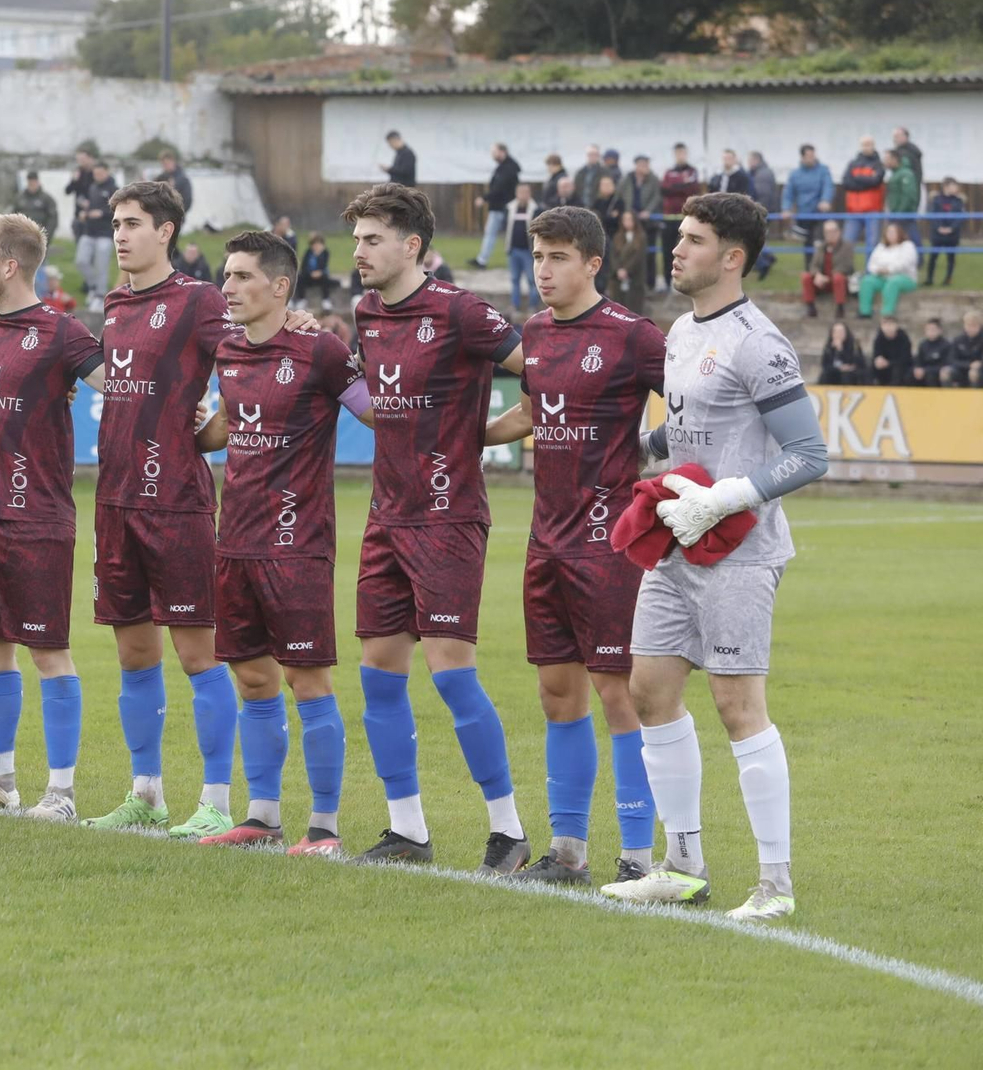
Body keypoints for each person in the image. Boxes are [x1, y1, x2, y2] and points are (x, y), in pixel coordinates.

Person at [602, 191, 828, 921]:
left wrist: (726, 498)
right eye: (679, 235)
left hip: (739, 550)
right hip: (676, 539)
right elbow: (686, 427)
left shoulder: (759, 343)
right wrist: (634, 449)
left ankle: (776, 883)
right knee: (648, 690)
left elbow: (809, 453)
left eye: (693, 239)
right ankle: (682, 863)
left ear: (732, 256)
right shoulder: (678, 331)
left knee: (737, 705)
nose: (677, 248)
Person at [346, 182, 530, 871]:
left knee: (451, 674)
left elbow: (546, 374)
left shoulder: (461, 312)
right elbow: (376, 398)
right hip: (385, 515)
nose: (358, 251)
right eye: (357, 238)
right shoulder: (366, 311)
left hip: (449, 515)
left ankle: (509, 832)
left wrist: (489, 431)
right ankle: (407, 832)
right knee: (379, 675)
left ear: (411, 244)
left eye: (371, 239)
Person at [482, 205, 666, 886]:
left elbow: (697, 401)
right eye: (539, 255)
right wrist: (465, 433)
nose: (545, 269)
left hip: (608, 542)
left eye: (559, 256)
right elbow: (530, 413)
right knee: (559, 694)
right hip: (546, 540)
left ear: (593, 263)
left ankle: (639, 855)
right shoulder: (535, 332)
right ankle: (568, 852)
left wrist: (661, 455)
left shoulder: (632, 335)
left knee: (620, 694)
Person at [192, 231, 370, 853]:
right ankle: (262, 818)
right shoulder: (229, 351)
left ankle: (324, 827)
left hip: (297, 542)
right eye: (227, 276)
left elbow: (376, 409)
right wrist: (200, 427)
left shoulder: (320, 350)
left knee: (307, 679)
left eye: (241, 276)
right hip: (234, 539)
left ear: (279, 286)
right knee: (253, 681)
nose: (229, 287)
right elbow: (225, 429)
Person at [80, 180, 241, 840]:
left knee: (198, 653)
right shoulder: (116, 302)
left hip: (174, 502)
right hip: (114, 501)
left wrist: (208, 434)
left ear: (166, 231)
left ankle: (217, 801)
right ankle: (145, 794)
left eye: (133, 223)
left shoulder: (200, 301)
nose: (119, 233)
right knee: (134, 654)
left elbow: (250, 364)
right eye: (116, 222)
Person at [0, 212, 104, 816]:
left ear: (9, 265)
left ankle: (59, 793)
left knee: (48, 652)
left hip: (37, 517)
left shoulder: (61, 333)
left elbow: (116, 384)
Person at [66, 158, 117, 310]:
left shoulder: (114, 189)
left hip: (105, 233)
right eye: (95, 174)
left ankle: (100, 296)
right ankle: (94, 287)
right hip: (89, 231)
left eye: (100, 173)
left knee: (101, 265)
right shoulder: (92, 187)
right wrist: (85, 211)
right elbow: (90, 204)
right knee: (81, 261)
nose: (97, 176)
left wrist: (101, 213)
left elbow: (117, 210)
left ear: (106, 172)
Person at [658, 144, 701, 292]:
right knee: (667, 251)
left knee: (688, 252)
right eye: (677, 153)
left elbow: (692, 189)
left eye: (682, 153)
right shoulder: (669, 172)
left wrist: (676, 188)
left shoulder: (692, 171)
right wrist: (681, 187)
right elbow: (664, 190)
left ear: (686, 153)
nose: (680, 156)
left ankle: (688, 281)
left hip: (685, 218)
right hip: (669, 217)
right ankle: (667, 281)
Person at [858, 221, 919, 319]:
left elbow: (906, 263)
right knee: (867, 281)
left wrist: (889, 270)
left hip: (905, 278)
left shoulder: (908, 246)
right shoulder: (881, 247)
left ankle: (887, 313)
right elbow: (871, 264)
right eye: (888, 232)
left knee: (892, 283)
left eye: (893, 232)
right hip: (882, 277)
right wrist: (877, 270)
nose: (890, 235)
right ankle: (865, 312)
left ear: (899, 233)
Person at [472, 143, 519, 268]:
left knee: (503, 235)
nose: (493, 155)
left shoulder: (508, 168)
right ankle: (482, 259)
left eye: (495, 152)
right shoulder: (504, 167)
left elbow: (500, 188)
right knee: (493, 234)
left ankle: (483, 260)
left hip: (502, 207)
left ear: (503, 152)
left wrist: (484, 198)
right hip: (500, 206)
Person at [783, 145, 833, 262]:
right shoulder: (795, 174)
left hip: (820, 214)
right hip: (804, 214)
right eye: (808, 156)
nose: (811, 158)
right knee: (808, 244)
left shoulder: (823, 170)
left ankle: (825, 268)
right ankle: (810, 269)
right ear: (802, 157)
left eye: (813, 155)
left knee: (822, 242)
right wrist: (786, 208)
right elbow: (788, 192)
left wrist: (825, 200)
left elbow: (828, 186)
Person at [799, 219, 853, 320]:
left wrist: (828, 278)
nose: (830, 234)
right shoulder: (821, 247)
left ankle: (840, 309)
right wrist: (817, 275)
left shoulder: (847, 246)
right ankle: (811, 308)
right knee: (806, 276)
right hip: (822, 282)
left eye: (833, 231)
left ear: (838, 232)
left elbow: (847, 266)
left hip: (838, 281)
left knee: (838, 278)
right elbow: (813, 265)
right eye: (827, 232)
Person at [838, 136, 885, 247]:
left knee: (872, 244)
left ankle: (871, 265)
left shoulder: (878, 164)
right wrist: (866, 180)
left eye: (869, 144)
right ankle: (845, 265)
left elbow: (876, 181)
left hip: (872, 210)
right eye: (864, 144)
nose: (867, 147)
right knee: (846, 244)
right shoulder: (852, 163)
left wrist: (857, 178)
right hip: (853, 210)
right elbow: (846, 183)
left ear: (873, 146)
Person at [505, 182, 540, 314]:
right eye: (520, 192)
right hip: (513, 250)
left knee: (532, 280)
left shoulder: (535, 209)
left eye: (525, 192)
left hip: (528, 251)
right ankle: (515, 305)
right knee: (514, 280)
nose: (523, 195)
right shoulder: (510, 208)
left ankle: (533, 305)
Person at [925, 178, 965, 285]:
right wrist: (939, 227)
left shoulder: (958, 201)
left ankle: (948, 279)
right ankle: (929, 279)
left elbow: (960, 217)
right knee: (933, 257)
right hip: (937, 234)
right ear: (946, 187)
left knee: (951, 258)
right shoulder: (936, 200)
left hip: (952, 235)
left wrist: (951, 228)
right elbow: (932, 215)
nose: (956, 188)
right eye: (954, 185)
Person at [610, 210, 649, 316]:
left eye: (629, 219)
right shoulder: (617, 237)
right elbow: (613, 256)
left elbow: (638, 257)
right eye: (624, 220)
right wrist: (618, 270)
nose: (627, 222)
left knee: (634, 308)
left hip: (635, 278)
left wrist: (627, 270)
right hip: (618, 278)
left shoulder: (641, 237)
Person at [881, 147, 920, 243]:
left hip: (904, 215)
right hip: (896, 214)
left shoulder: (905, 174)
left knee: (912, 240)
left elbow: (909, 195)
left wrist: (900, 212)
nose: (884, 162)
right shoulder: (896, 174)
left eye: (887, 159)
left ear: (894, 159)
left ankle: (918, 258)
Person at [296, 233, 339, 310]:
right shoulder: (308, 253)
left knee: (325, 278)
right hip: (309, 276)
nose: (316, 246)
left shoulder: (325, 253)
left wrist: (319, 255)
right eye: (314, 244)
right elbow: (303, 267)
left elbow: (323, 266)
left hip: (321, 276)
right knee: (300, 277)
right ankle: (301, 299)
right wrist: (310, 273)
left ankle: (326, 300)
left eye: (318, 244)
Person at [13, 169, 59, 237]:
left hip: (39, 235)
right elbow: (13, 215)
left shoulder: (47, 199)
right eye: (30, 182)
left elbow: (53, 219)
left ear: (37, 182)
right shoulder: (19, 198)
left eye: (33, 181)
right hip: (21, 235)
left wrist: (46, 235)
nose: (32, 184)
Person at [869, 316, 912, 387]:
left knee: (897, 370)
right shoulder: (879, 338)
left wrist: (889, 363)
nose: (888, 328)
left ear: (896, 326)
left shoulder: (903, 338)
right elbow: (876, 354)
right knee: (871, 368)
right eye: (885, 325)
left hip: (900, 365)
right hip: (884, 366)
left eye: (890, 324)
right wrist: (878, 360)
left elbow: (906, 358)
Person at [912, 318, 950, 387]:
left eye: (933, 330)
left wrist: (926, 370)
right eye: (928, 330)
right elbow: (918, 360)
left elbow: (945, 364)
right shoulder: (923, 344)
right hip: (924, 370)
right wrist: (917, 368)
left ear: (940, 331)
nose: (930, 332)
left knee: (930, 375)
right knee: (911, 374)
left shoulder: (946, 345)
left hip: (936, 372)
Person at [949, 310, 983, 388]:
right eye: (968, 325)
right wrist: (968, 365)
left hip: (979, 370)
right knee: (946, 372)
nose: (970, 328)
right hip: (962, 368)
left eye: (974, 325)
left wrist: (979, 364)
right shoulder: (958, 340)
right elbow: (952, 359)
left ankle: (976, 398)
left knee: (974, 373)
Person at [156, 149, 194, 217]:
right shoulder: (161, 177)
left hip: (177, 216)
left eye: (167, 164)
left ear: (173, 161)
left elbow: (187, 201)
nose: (165, 166)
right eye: (163, 164)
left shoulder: (183, 179)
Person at [746, 151, 778, 217]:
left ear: (756, 160)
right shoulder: (755, 172)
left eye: (750, 160)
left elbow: (763, 195)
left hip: (762, 210)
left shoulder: (762, 175)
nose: (748, 163)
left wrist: (758, 211)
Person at [892, 126, 923, 192]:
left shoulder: (910, 151)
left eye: (897, 136)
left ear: (905, 136)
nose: (894, 139)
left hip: (910, 185)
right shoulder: (900, 150)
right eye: (894, 137)